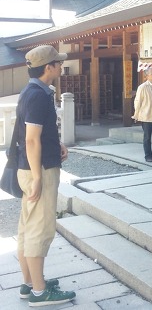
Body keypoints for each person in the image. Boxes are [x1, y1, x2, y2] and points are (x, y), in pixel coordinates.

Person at [15, 45, 77, 306]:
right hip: (37, 170)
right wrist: (39, 177)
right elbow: (31, 140)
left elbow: (36, 134)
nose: (60, 66)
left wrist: (57, 144)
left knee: (27, 228)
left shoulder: (31, 91)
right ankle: (40, 293)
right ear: (48, 67)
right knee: (40, 230)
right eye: (57, 63)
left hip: (28, 167)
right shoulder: (38, 96)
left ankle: (30, 284)